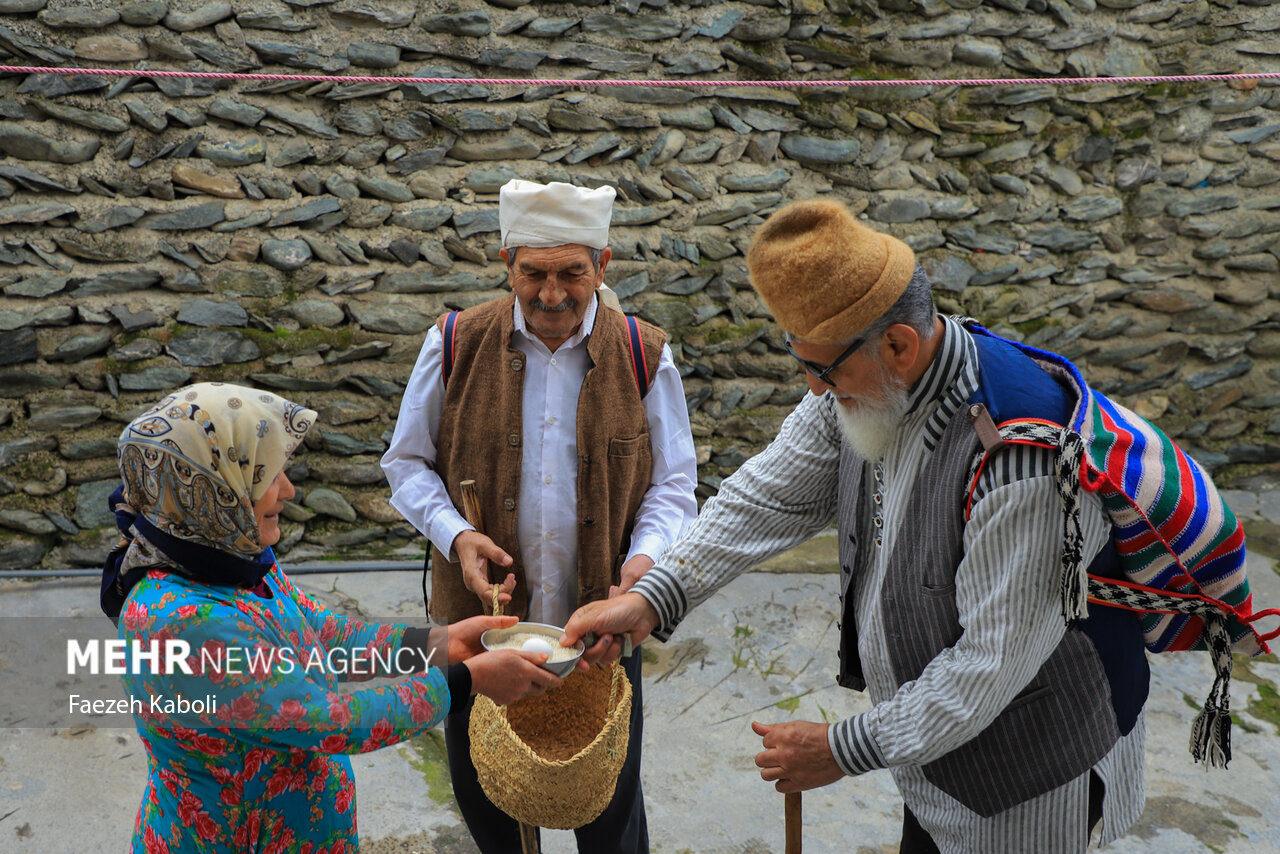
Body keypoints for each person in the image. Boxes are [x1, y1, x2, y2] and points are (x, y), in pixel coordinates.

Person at [564, 200, 1152, 853]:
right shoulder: (867, 378)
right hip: (930, 748)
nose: (815, 390)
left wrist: (842, 748)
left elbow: (987, 666)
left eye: (823, 370)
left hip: (1031, 763)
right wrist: (654, 595)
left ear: (899, 343)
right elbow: (767, 496)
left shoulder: (1021, 457)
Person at [102, 382, 566, 854]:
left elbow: (325, 637)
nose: (288, 489)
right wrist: (467, 681)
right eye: (268, 477)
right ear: (216, 490)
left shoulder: (237, 562)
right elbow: (329, 721)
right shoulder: (182, 620)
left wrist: (441, 643)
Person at [382, 178, 699, 853]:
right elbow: (405, 466)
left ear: (603, 265)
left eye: (571, 274)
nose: (551, 294)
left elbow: (672, 487)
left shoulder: (644, 354)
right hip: (483, 637)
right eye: (534, 273)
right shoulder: (456, 344)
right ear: (507, 264)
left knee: (609, 817)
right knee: (490, 806)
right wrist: (457, 534)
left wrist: (641, 571)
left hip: (600, 640)